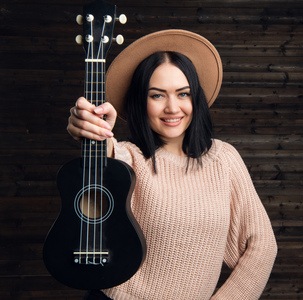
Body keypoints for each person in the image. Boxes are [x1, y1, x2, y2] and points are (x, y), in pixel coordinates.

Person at [68, 29, 277, 300]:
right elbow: (103, 168)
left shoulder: (223, 159)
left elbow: (263, 246)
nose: (172, 108)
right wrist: (94, 131)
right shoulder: (128, 158)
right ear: (140, 101)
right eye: (157, 95)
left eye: (183, 94)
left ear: (196, 98)